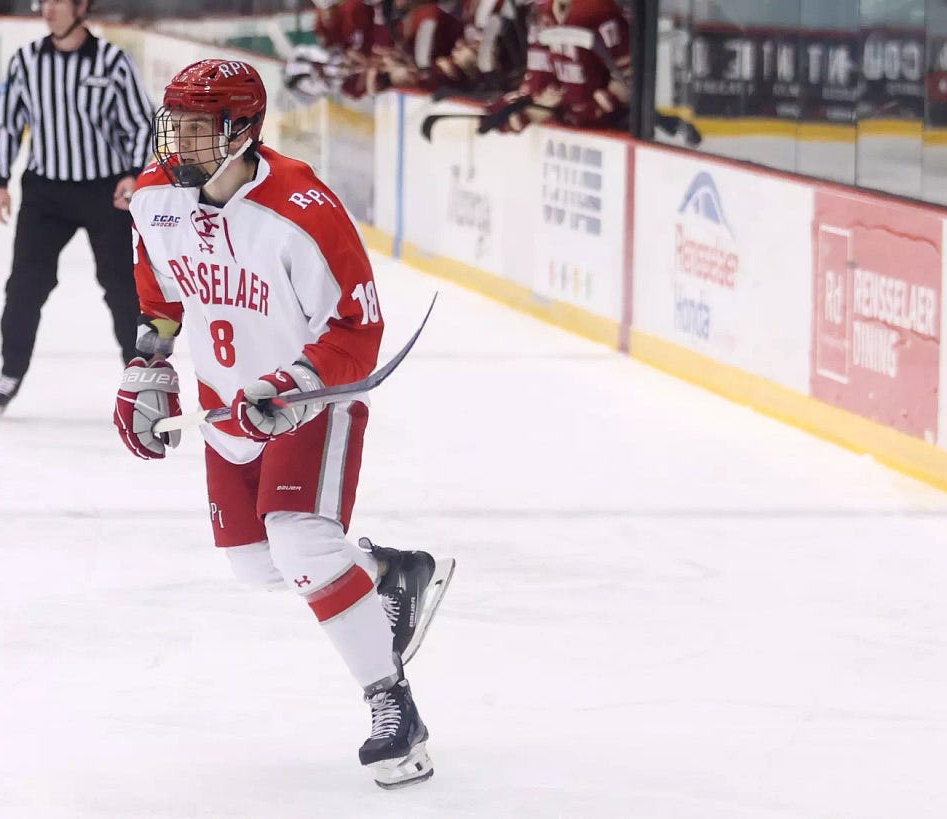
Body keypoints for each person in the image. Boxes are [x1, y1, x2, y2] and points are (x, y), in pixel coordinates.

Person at [112, 59, 455, 789]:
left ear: (242, 131)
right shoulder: (155, 198)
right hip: (224, 403)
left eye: (198, 128)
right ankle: (392, 574)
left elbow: (357, 323)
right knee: (254, 562)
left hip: (311, 399)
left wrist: (293, 381)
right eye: (176, 124)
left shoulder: (302, 208)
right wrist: (149, 366)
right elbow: (160, 295)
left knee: (300, 538)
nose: (178, 142)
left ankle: (395, 709)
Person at [0, 0, 154, 418]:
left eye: (59, 1)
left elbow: (140, 122)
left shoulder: (112, 61)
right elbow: (7, 122)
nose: (48, 9)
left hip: (105, 191)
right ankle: (10, 371)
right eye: (44, 2)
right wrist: (0, 181)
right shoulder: (26, 60)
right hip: (46, 194)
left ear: (82, 7)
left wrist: (133, 175)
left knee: (121, 288)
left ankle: (139, 379)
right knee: (25, 285)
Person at [479, 0, 632, 134]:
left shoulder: (600, 10)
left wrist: (585, 111)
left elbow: (630, 84)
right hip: (571, 137)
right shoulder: (542, 12)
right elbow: (538, 85)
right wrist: (512, 109)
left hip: (605, 137)